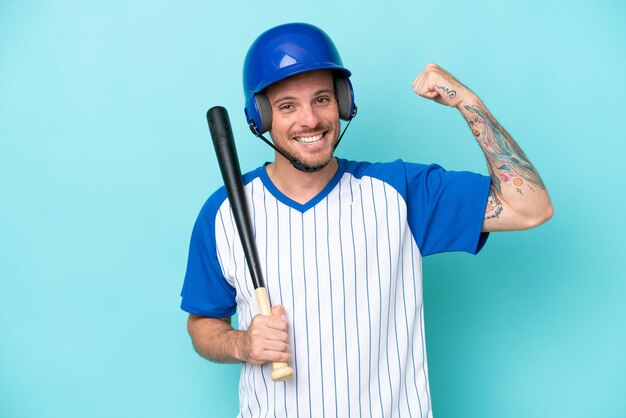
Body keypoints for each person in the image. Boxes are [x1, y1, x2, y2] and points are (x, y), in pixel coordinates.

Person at [181, 23, 553, 418]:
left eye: (322, 99)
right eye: (288, 105)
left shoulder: (400, 192)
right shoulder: (223, 212)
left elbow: (529, 207)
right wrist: (242, 344)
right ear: (261, 115)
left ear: (343, 102)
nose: (310, 120)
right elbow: (203, 324)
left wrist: (467, 101)